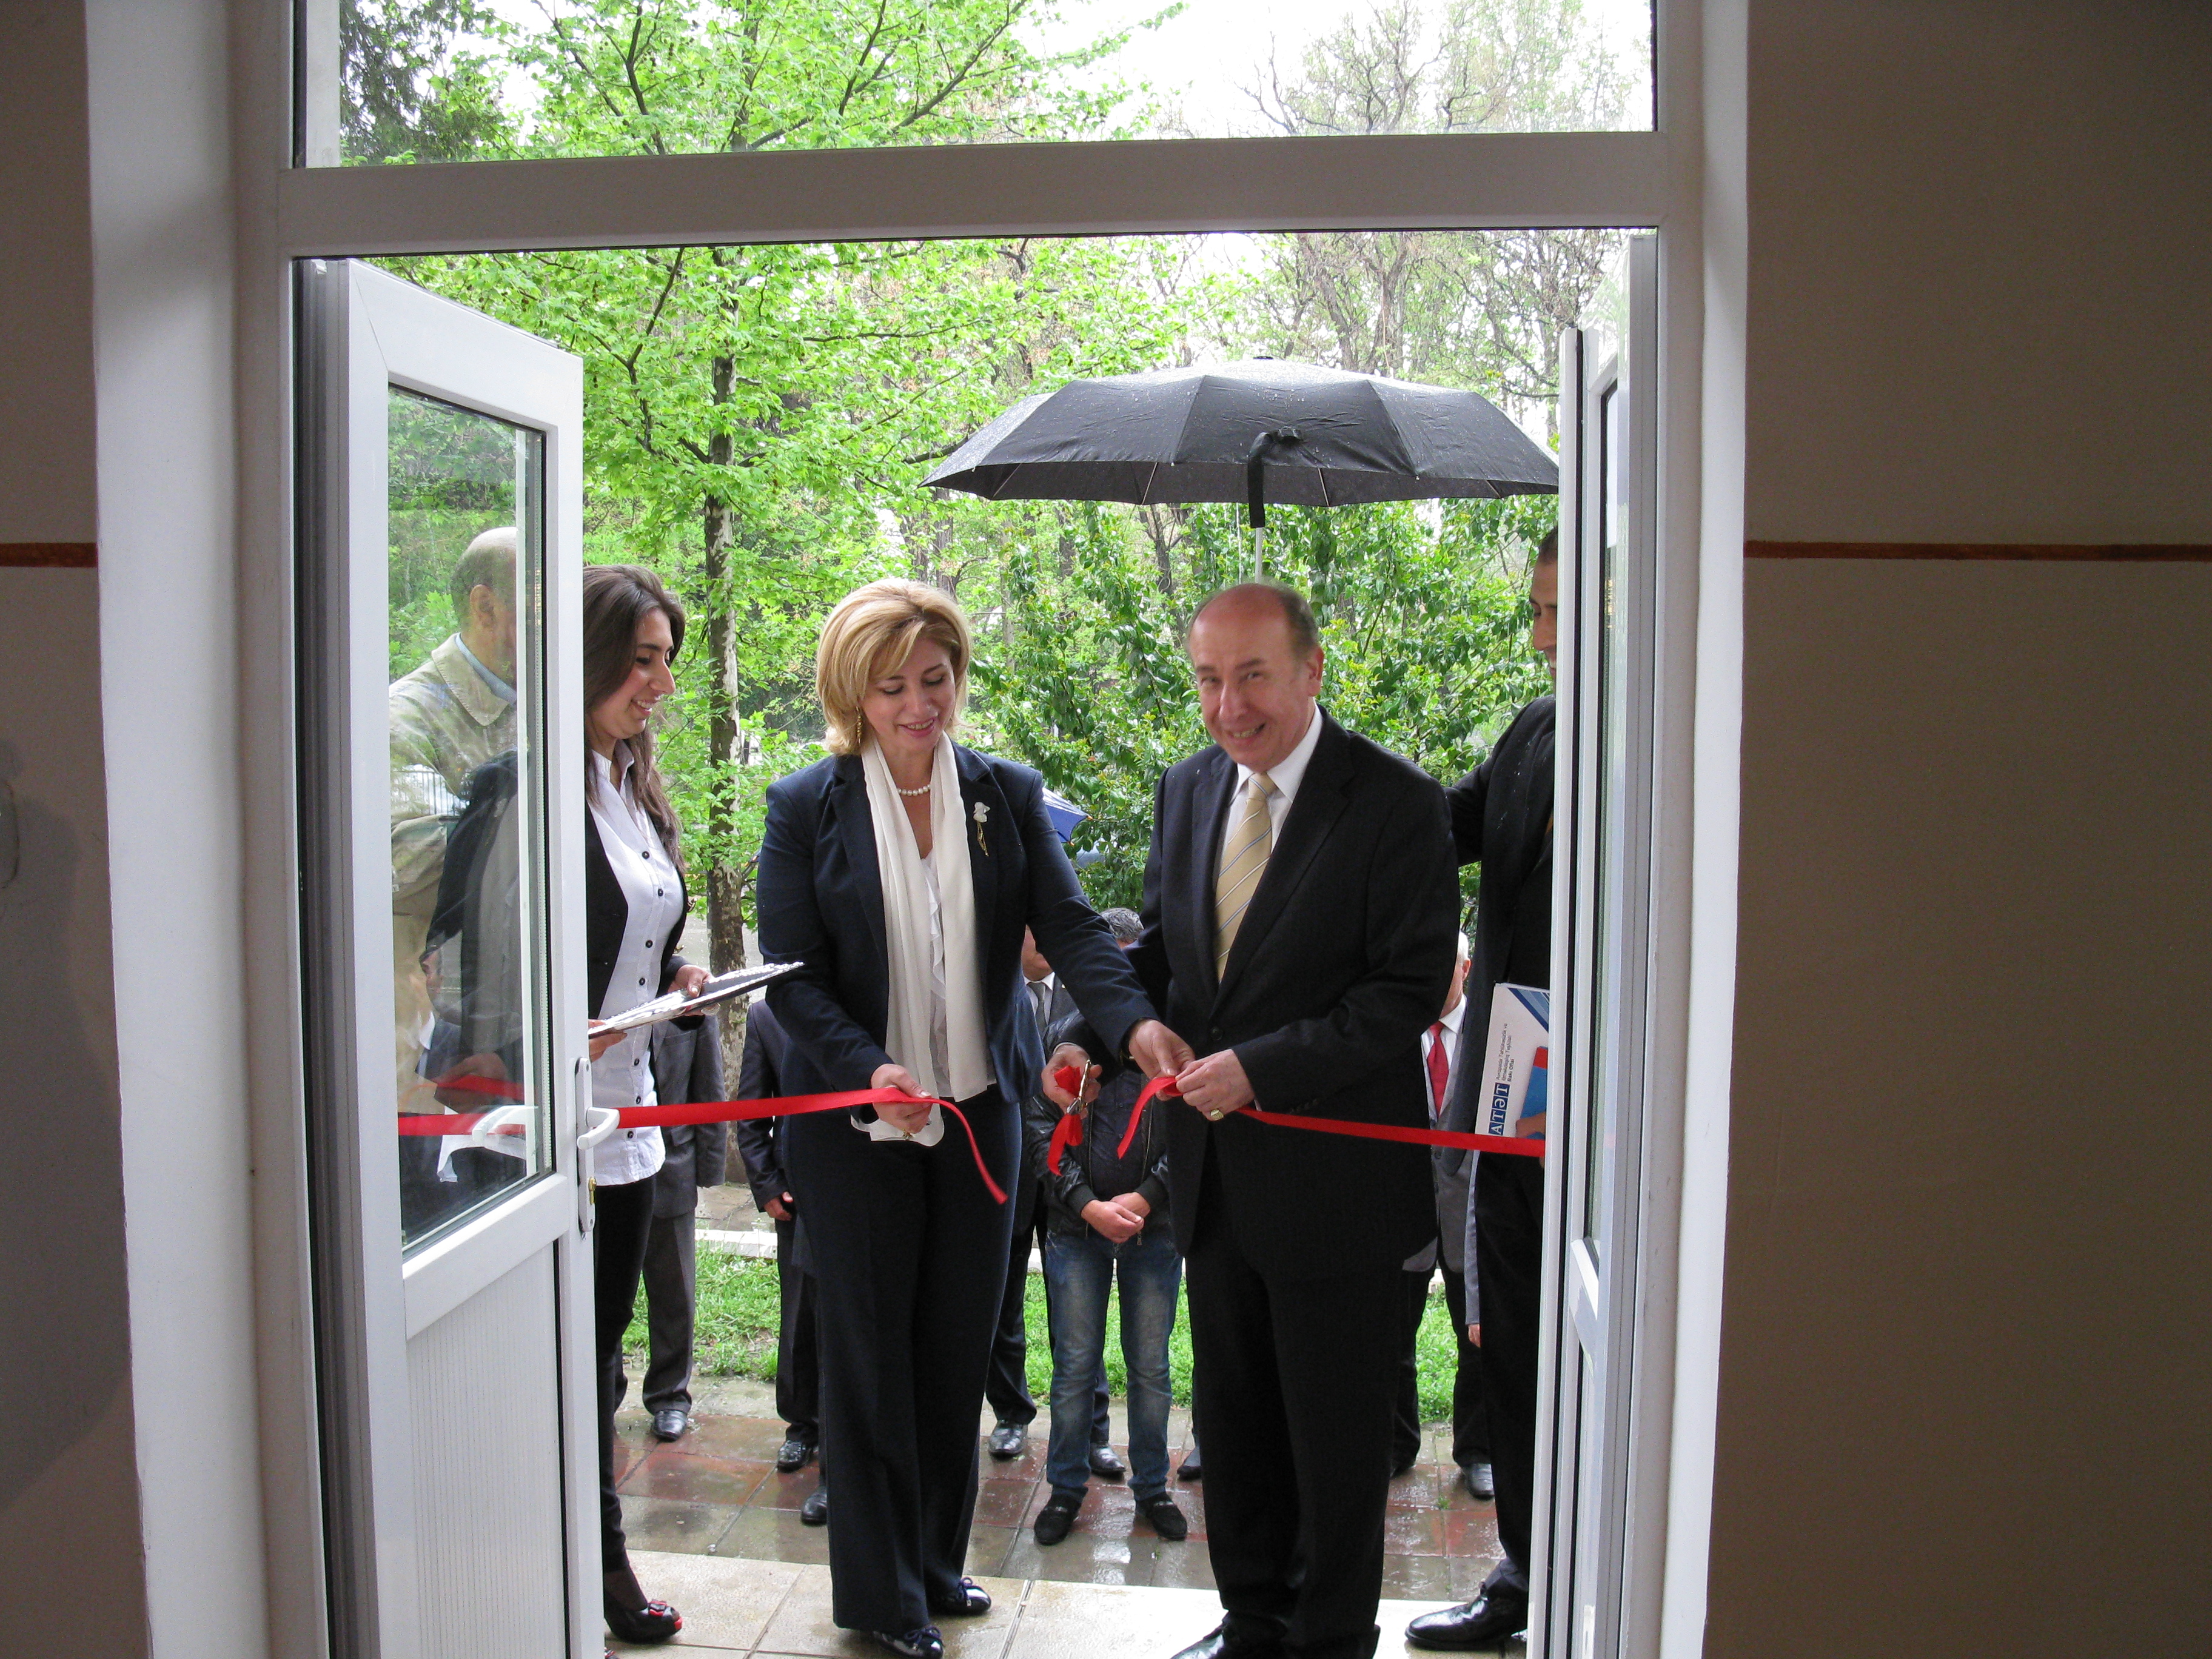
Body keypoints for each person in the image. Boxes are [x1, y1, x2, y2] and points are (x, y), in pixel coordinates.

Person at [756, 578, 1189, 1659]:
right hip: (856, 1131)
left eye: (935, 679)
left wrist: (1134, 1025)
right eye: (892, 686)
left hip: (982, 1123)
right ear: (852, 694)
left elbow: (1074, 930)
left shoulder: (1005, 794)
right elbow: (791, 979)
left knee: (954, 1353)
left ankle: (937, 1565)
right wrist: (869, 1067)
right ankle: (881, 1596)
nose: (919, 705)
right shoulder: (804, 806)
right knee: (870, 1364)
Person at [1050, 583, 1458, 1659]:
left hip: (1339, 1199)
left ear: (1312, 671)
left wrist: (1261, 1071)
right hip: (1216, 1185)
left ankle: (1330, 1640)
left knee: (1334, 1446)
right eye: (1208, 679)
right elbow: (1163, 956)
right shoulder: (1188, 789)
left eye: (1253, 676)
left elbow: (1408, 990)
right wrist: (1097, 1035)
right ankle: (1252, 1623)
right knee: (1233, 1427)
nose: (1228, 706)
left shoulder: (1396, 803)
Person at [1405, 534, 1558, 1652]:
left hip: (1621, 1111)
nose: (1544, 636)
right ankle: (1525, 1572)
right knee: (1510, 1330)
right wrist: (1318, 765)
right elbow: (1435, 826)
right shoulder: (1536, 730)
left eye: (1562, 612)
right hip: (1517, 1091)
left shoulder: (1671, 735)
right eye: (1537, 610)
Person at [579, 564, 709, 1649]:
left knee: (604, 1354)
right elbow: (465, 962)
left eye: (666, 661)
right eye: (642, 660)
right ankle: (600, 1563)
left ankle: (589, 1552)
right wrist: (554, 1027)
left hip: (632, 1116)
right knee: (574, 1363)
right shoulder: (529, 790)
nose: (661, 683)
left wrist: (675, 982)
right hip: (549, 1129)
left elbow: (633, 938)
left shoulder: (632, 785)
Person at [1025, 905, 1186, 1546]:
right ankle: (1066, 1487)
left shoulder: (1168, 1040)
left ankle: (1152, 1487)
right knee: (1073, 1366)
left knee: (1150, 1368)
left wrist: (1146, 1199)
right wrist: (1087, 1204)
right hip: (1076, 1230)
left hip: (1155, 1227)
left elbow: (1191, 1133)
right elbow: (1040, 1130)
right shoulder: (1066, 1038)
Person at [390, 526, 518, 1235]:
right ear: (485, 606)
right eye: (541, 607)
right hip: (427, 1041)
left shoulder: (550, 707)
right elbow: (409, 869)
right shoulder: (407, 718)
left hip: (514, 1031)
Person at [993, 927, 1119, 1473]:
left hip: (1071, 1176)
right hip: (1009, 1172)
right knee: (1003, 1302)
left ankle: (1093, 1429)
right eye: (1030, 927)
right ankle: (1010, 1413)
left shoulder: (1082, 993)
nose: (1044, 938)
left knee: (1077, 1308)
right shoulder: (991, 990)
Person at [1392, 933, 1493, 1500]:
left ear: (1466, 968)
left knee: (1476, 1338)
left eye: (1445, 967)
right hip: (1405, 1209)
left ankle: (1478, 1452)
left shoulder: (1491, 1035)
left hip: (1468, 1215)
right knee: (1393, 1338)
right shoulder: (1395, 1030)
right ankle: (1396, 1445)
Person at [732, 996, 832, 1527]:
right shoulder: (766, 1016)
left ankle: (841, 1451)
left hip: (852, 1188)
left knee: (844, 1325)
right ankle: (801, 1425)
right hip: (795, 1196)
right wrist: (766, 1184)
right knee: (798, 1316)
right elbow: (752, 1112)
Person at [640, 1010, 729, 1444]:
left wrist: (709, 1169)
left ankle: (670, 1396)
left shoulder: (688, 1006)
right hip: (605, 1163)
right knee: (602, 1293)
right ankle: (602, 1390)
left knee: (674, 1291)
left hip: (671, 1164)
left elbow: (709, 1088)